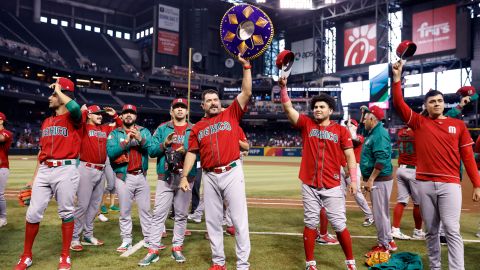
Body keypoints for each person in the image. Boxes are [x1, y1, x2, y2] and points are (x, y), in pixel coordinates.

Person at [392, 60, 480, 269]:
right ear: (426, 106)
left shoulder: (457, 125)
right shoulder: (419, 123)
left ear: (444, 103)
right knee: (431, 231)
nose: (437, 104)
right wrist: (397, 79)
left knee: (451, 229)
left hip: (450, 184)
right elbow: (399, 105)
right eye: (432, 101)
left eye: (440, 101)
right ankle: (435, 267)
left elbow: (468, 157)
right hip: (424, 183)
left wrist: (476, 184)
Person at [178, 54, 252, 270]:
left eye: (215, 99)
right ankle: (218, 262)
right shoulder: (197, 128)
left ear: (220, 103)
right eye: (209, 100)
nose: (213, 103)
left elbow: (246, 92)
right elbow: (191, 152)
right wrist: (184, 176)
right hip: (209, 175)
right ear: (203, 105)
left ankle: (242, 264)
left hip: (231, 171)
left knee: (238, 221)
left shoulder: (230, 114)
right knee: (212, 221)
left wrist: (246, 66)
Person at [279, 77, 358, 270]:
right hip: (309, 183)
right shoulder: (307, 124)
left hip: (332, 184)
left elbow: (350, 155)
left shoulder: (340, 130)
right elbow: (289, 109)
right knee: (310, 223)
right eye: (315, 107)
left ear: (330, 110)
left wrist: (353, 180)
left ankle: (350, 262)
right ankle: (310, 263)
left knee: (339, 225)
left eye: (322, 107)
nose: (317, 109)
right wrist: (283, 88)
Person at [14, 78, 81, 270]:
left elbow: (75, 108)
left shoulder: (74, 117)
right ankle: (26, 256)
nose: (50, 97)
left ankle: (65, 256)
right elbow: (40, 153)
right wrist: (33, 179)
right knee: (33, 213)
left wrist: (60, 91)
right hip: (45, 169)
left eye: (53, 94)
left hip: (65, 169)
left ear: (63, 95)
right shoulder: (46, 121)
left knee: (66, 212)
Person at [138, 98, 196, 266]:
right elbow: (152, 151)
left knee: (181, 215)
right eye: (176, 107)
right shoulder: (162, 129)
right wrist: (165, 144)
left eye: (182, 107)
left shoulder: (193, 129)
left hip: (186, 177)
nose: (179, 110)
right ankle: (153, 250)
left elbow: (199, 153)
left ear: (186, 112)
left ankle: (176, 248)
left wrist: (187, 151)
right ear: (171, 111)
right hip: (166, 177)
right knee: (158, 215)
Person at [70, 105, 122, 251]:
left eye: (101, 114)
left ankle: (88, 235)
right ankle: (74, 238)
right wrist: (84, 111)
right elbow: (76, 120)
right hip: (86, 169)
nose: (100, 116)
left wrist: (115, 116)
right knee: (82, 205)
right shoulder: (83, 128)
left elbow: (119, 128)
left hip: (101, 170)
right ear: (89, 115)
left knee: (94, 206)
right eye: (97, 114)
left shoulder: (104, 129)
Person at [106, 104, 153, 252]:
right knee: (124, 211)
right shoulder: (115, 133)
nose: (128, 115)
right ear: (122, 116)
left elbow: (151, 149)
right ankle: (126, 240)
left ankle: (149, 238)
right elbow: (111, 153)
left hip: (141, 176)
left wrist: (140, 139)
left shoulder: (144, 131)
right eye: (126, 112)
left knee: (145, 210)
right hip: (124, 178)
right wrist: (126, 141)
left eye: (131, 113)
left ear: (135, 116)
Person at [359, 105, 397, 257]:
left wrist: (371, 179)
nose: (363, 121)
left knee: (379, 214)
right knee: (382, 212)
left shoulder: (379, 134)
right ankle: (389, 240)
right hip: (379, 179)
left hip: (379, 180)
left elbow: (381, 160)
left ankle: (384, 245)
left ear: (372, 119)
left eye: (366, 118)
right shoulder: (374, 131)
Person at [343, 119, 374, 227]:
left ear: (356, 127)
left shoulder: (360, 137)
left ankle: (369, 215)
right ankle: (340, 217)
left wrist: (350, 130)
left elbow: (354, 140)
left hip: (354, 166)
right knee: (340, 193)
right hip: (342, 166)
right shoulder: (342, 137)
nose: (348, 125)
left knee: (356, 193)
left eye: (351, 124)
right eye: (347, 124)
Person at [0, 112, 13, 228]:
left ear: (1, 121)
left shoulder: (6, 133)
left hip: (2, 167)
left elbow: (1, 138)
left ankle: (3, 218)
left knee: (0, 194)